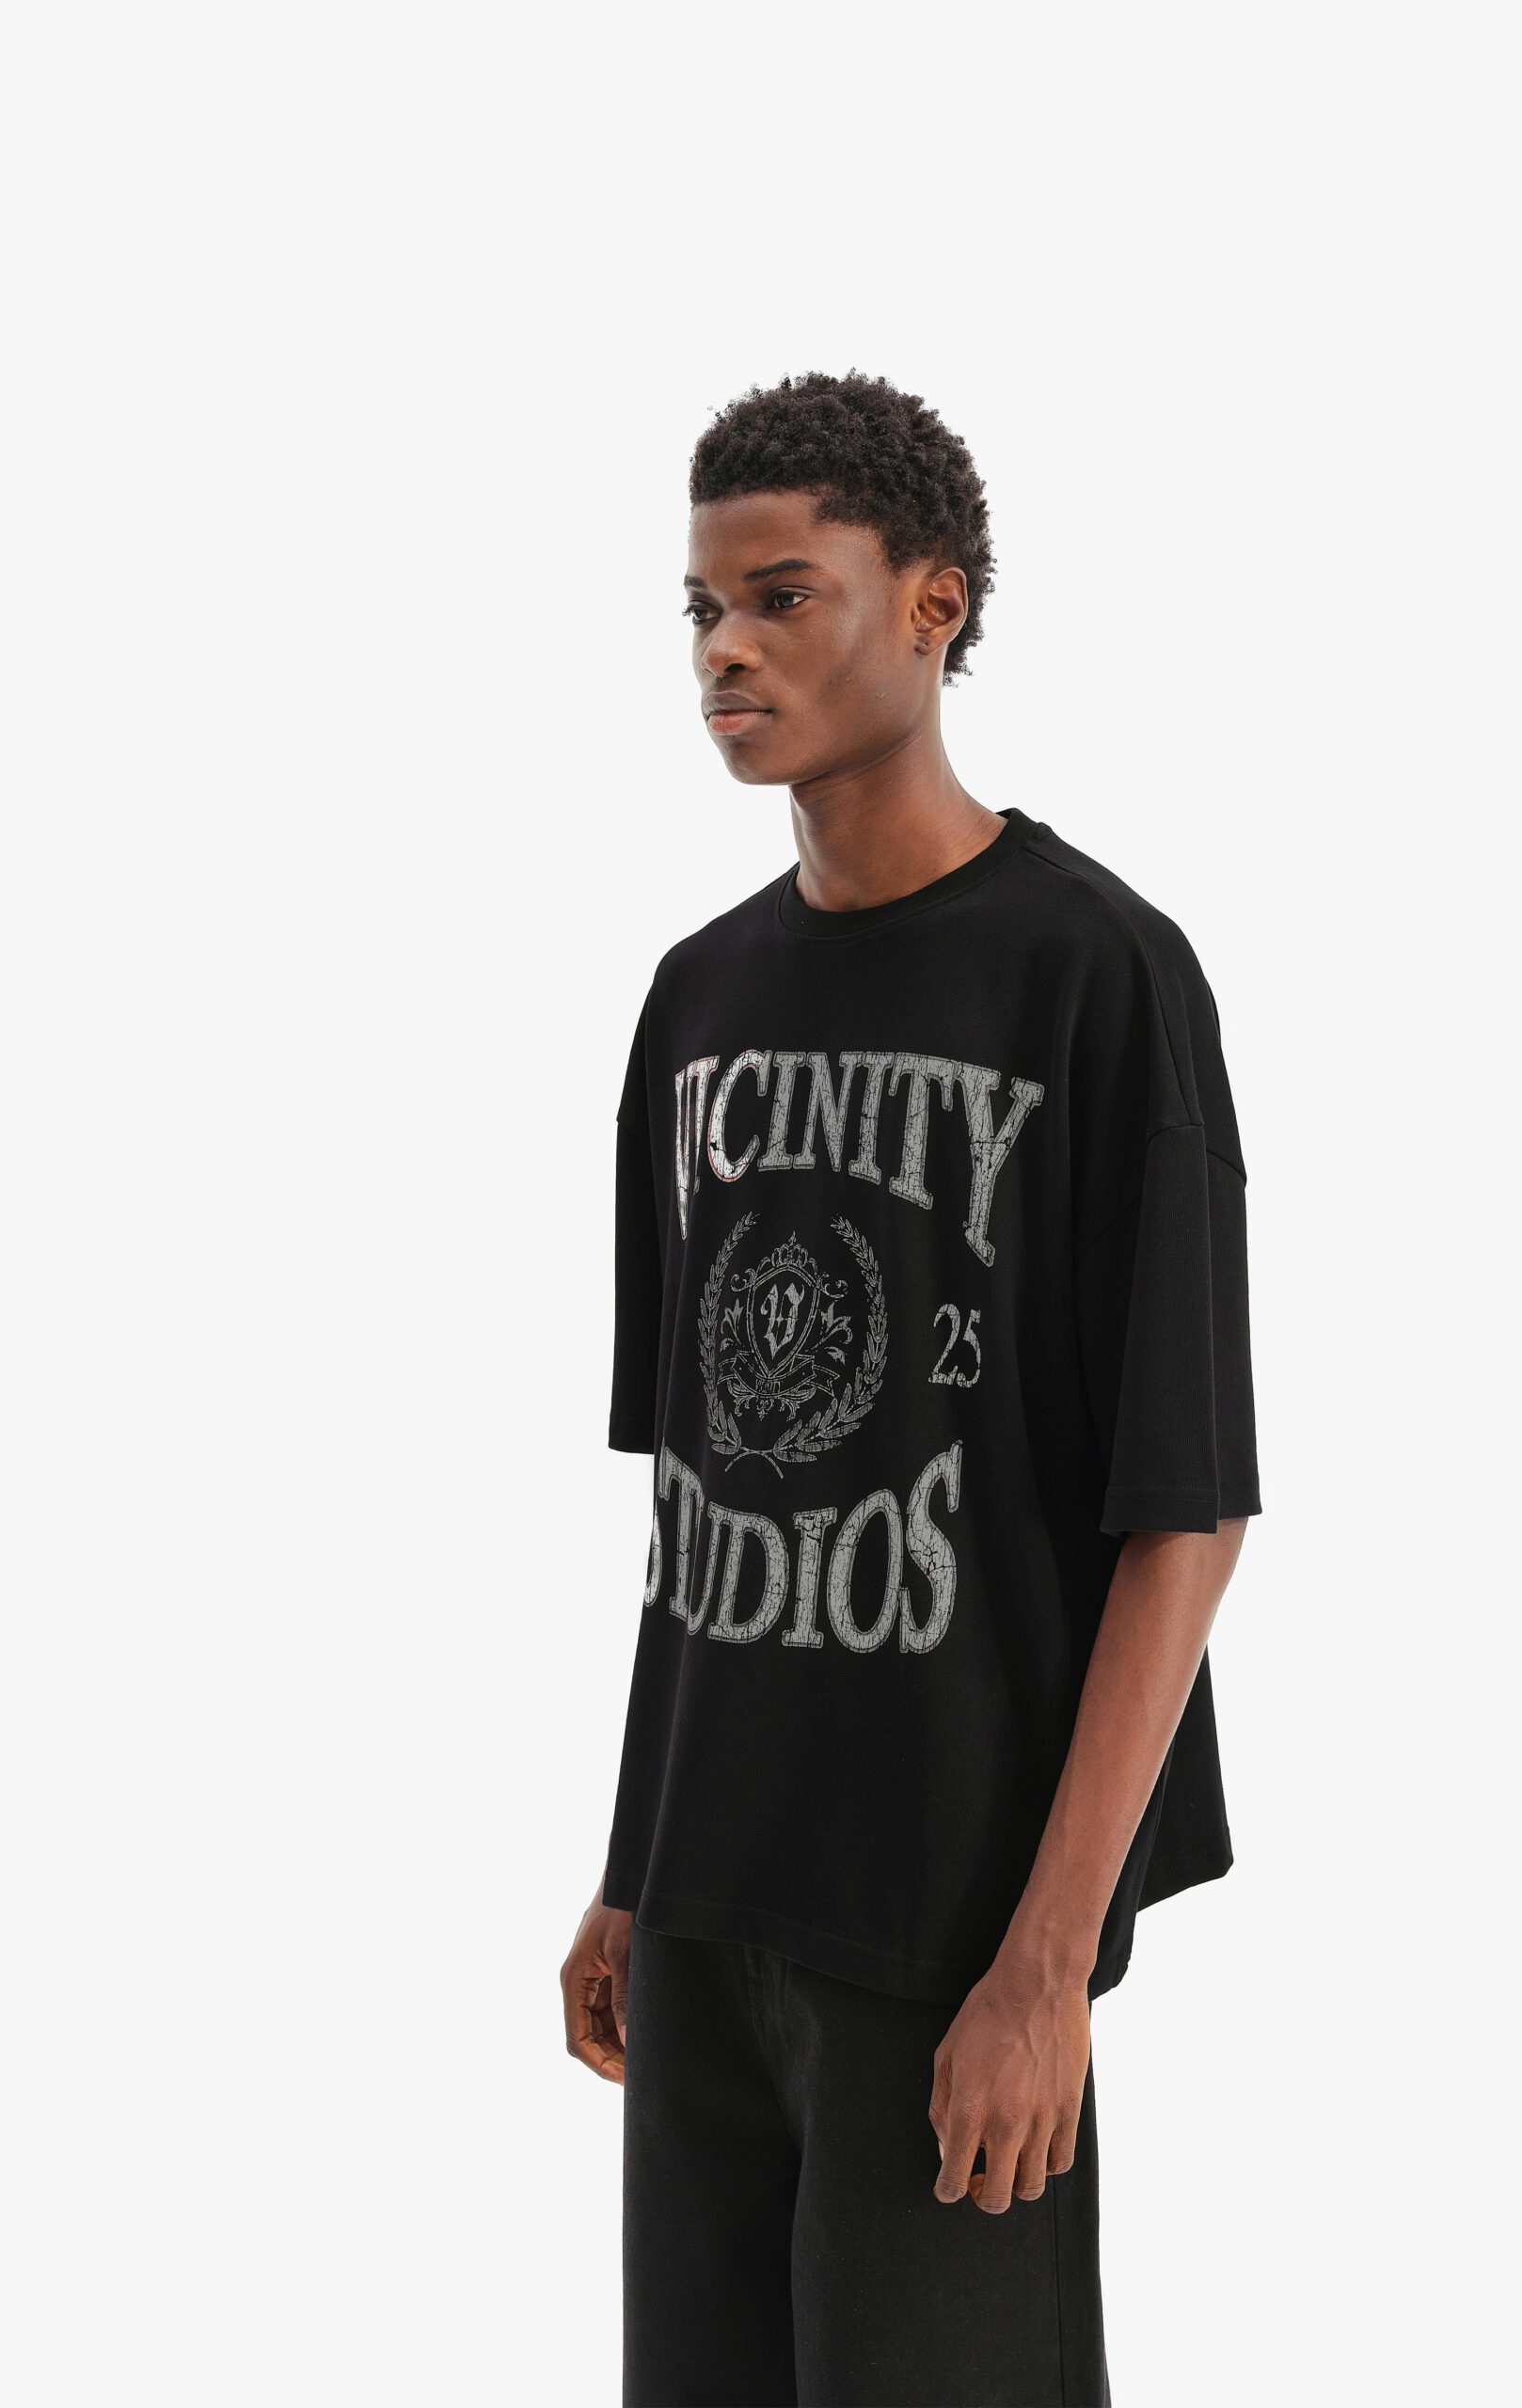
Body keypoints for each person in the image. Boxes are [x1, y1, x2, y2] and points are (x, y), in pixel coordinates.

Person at [562, 370, 1260, 2408]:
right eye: (701, 609)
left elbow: (1184, 1507)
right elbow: (699, 1496)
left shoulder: (1094, 972)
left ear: (934, 604)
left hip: (947, 1922)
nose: (726, 651)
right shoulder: (697, 1000)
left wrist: (1049, 1962)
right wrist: (634, 1862)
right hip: (708, 1908)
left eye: (783, 597)